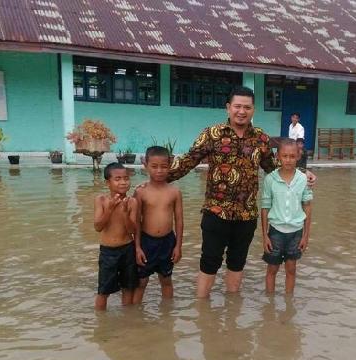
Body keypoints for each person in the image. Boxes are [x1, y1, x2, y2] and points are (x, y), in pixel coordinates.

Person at [167, 86, 316, 298]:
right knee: (209, 262)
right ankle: (202, 311)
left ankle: (231, 315)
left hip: (246, 215)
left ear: (253, 110)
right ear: (228, 108)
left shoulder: (260, 139)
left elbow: (275, 167)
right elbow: (188, 161)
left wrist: (303, 173)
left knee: (237, 263)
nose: (241, 111)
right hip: (216, 212)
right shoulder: (212, 134)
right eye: (237, 106)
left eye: (247, 107)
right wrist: (158, 179)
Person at [261, 139, 312, 295]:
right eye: (284, 156)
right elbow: (264, 208)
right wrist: (265, 236)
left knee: (291, 269)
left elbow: (308, 206)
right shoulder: (270, 179)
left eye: (292, 156)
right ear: (278, 156)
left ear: (298, 156)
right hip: (275, 232)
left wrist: (305, 236)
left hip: (296, 232)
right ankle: (269, 304)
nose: (288, 160)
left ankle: (288, 303)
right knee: (272, 269)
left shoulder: (303, 179)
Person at [134, 146, 183, 304]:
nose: (159, 171)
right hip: (146, 242)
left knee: (166, 280)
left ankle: (167, 318)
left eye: (164, 166)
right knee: (141, 282)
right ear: (145, 165)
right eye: (154, 166)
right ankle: (134, 318)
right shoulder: (140, 192)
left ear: (170, 165)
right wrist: (137, 248)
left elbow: (179, 220)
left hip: (167, 241)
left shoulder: (174, 192)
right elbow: (135, 222)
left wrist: (178, 246)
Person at [93, 162, 138, 310]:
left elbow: (133, 229)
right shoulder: (101, 200)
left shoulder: (132, 202)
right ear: (108, 182)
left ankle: (127, 322)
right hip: (108, 251)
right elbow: (98, 226)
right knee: (103, 291)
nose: (123, 182)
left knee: (128, 287)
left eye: (126, 178)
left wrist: (125, 213)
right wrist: (110, 209)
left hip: (127, 249)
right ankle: (101, 325)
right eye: (117, 179)